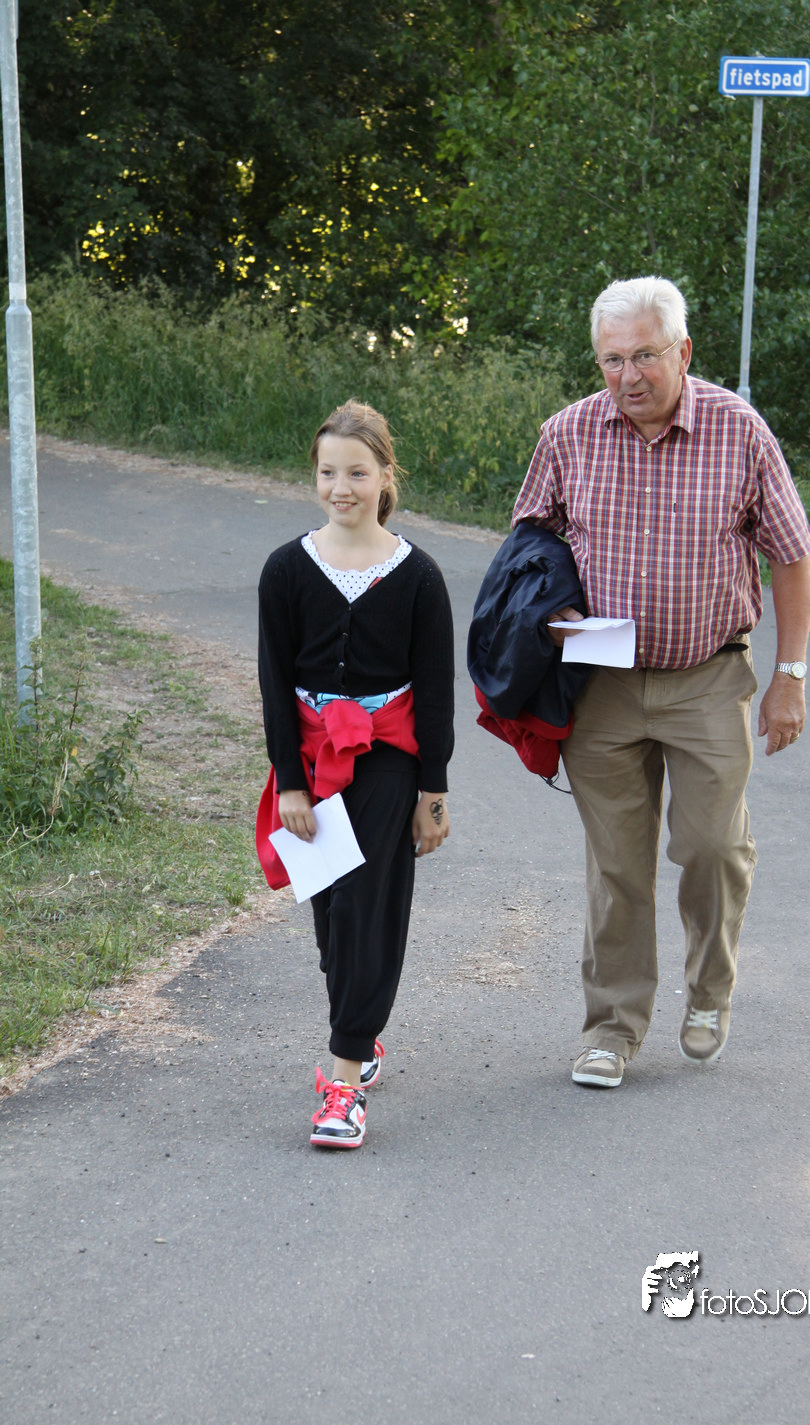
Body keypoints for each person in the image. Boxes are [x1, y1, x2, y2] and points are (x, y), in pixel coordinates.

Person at [511, 276, 810, 1085]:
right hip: (601, 682)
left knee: (712, 844)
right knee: (616, 863)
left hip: (707, 676)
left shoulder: (738, 431)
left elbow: (792, 554)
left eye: (644, 355)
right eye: (612, 359)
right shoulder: (567, 433)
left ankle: (709, 991)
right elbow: (527, 544)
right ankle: (612, 1027)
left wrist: (790, 675)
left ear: (683, 351)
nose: (628, 376)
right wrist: (544, 612)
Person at [257, 399, 454, 1147]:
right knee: (332, 916)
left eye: (358, 472)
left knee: (367, 904)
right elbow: (275, 681)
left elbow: (434, 690)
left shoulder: (418, 576)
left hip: (388, 755)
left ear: (385, 477)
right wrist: (290, 780)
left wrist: (433, 791)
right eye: (328, 472)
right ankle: (361, 1031)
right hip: (312, 757)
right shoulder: (287, 568)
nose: (341, 487)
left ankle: (343, 1086)